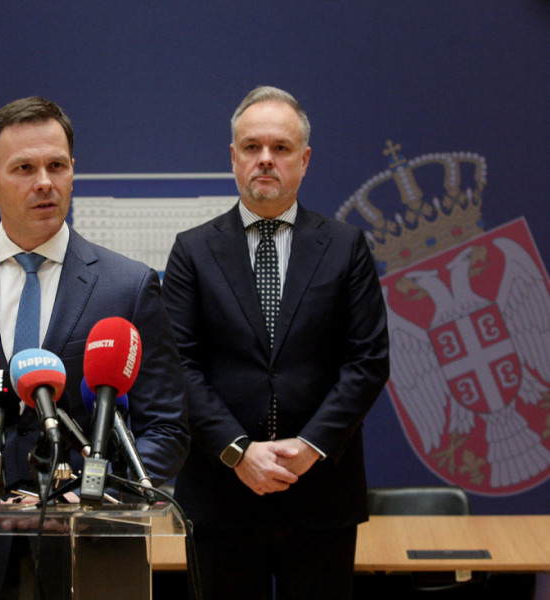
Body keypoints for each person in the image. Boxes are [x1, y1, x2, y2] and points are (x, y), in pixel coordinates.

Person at [0, 96, 190, 599]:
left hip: (92, 550)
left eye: (57, 165)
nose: (45, 182)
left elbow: (166, 428)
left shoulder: (129, 286)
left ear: (73, 171)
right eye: (24, 168)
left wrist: (100, 493)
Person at [162, 86, 390, 599]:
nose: (265, 159)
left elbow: (368, 361)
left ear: (304, 160)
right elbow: (178, 366)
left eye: (281, 148)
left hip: (320, 494)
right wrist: (238, 452)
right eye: (252, 147)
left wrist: (310, 447)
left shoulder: (346, 247)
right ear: (233, 157)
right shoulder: (192, 251)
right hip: (221, 495)